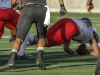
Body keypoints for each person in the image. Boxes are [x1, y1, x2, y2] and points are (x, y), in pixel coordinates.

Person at [0, 0, 51, 71]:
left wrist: (17, 6)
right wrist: (62, 6)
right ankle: (38, 59)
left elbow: (14, 2)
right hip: (42, 9)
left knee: (19, 38)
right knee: (41, 37)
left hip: (28, 8)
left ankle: (11, 61)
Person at [25, 17, 100, 56]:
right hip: (73, 28)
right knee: (46, 42)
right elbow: (97, 53)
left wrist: (74, 53)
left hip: (66, 20)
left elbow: (66, 48)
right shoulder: (91, 31)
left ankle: (22, 43)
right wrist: (87, 52)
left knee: (42, 37)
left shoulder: (80, 23)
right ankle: (25, 35)